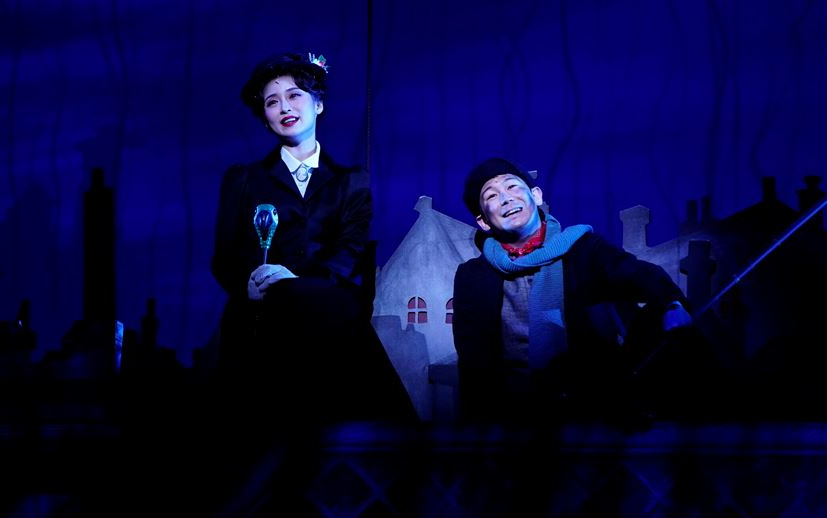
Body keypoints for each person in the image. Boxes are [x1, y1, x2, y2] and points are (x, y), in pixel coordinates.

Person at [210, 51, 415, 426]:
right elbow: (224, 257)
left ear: (318, 104)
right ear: (266, 119)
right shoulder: (243, 179)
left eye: (295, 95)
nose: (285, 107)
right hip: (262, 320)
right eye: (272, 102)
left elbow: (349, 252)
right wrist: (246, 287)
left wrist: (297, 283)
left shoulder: (351, 180)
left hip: (329, 315)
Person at [451, 157, 697, 424]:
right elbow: (472, 363)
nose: (506, 198)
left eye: (512, 187)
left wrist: (673, 306)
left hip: (587, 410)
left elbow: (647, 280)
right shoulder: (472, 276)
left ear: (536, 195)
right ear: (484, 222)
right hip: (512, 417)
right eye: (492, 195)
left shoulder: (585, 250)